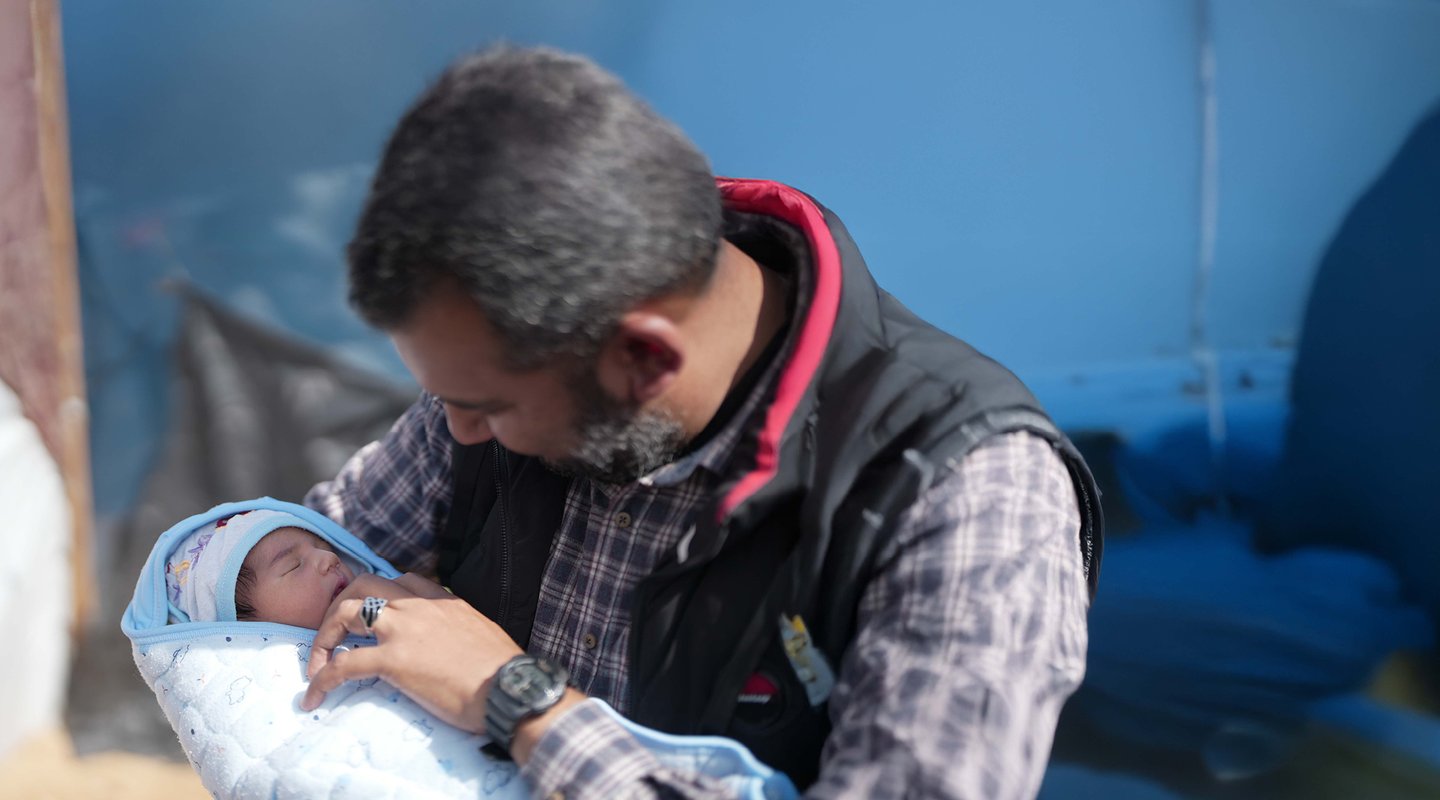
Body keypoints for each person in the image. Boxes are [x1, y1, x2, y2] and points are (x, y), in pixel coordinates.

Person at [300, 45, 1103, 799]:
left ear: (647, 361)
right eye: (446, 399)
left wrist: (518, 702)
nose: (456, 434)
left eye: (488, 408)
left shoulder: (965, 489)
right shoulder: (525, 350)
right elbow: (275, 580)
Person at [131, 499, 796, 800]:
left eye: (320, 543)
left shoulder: (402, 618)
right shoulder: (275, 696)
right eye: (289, 565)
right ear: (240, 624)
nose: (323, 558)